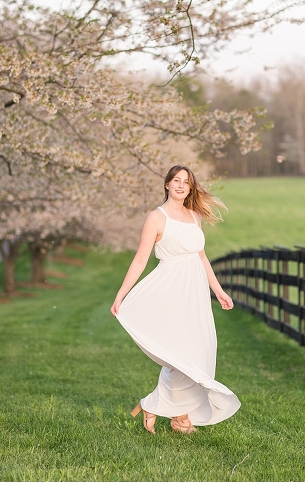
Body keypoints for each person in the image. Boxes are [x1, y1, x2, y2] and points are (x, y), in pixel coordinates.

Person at [110, 165, 241, 434]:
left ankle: (158, 406)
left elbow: (201, 256)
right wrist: (121, 295)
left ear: (191, 188)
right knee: (181, 354)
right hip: (170, 291)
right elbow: (140, 259)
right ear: (167, 184)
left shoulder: (195, 216)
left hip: (196, 294)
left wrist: (218, 290)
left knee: (199, 351)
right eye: (176, 180)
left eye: (187, 182)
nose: (181, 185)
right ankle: (179, 417)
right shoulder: (156, 218)